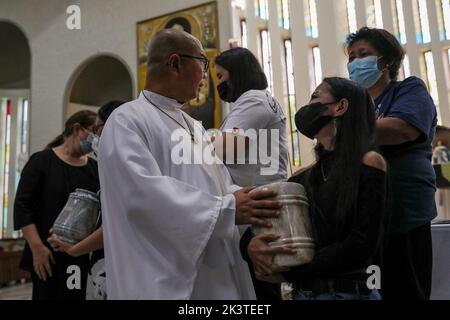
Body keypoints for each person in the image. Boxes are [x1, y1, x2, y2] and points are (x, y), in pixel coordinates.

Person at [97, 29, 283, 299]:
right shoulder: (127, 120)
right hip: (160, 279)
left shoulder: (193, 126)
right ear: (175, 64)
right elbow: (140, 196)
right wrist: (226, 209)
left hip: (216, 271)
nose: (206, 76)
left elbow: (219, 184)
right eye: (203, 64)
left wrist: (243, 198)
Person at [241, 77, 387, 300]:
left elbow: (362, 243)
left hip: (349, 293)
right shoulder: (304, 176)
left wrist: (293, 273)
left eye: (315, 97)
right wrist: (250, 247)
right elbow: (261, 221)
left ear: (340, 107)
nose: (307, 106)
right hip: (304, 294)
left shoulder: (369, 162)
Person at [346, 27, 438, 300]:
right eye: (351, 57)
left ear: (386, 61)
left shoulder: (409, 89)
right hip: (367, 220)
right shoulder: (355, 106)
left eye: (363, 54)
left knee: (405, 291)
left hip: (404, 212)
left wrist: (344, 132)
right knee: (373, 291)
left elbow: (400, 129)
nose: (354, 62)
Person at [214, 47, 289, 300]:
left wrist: (200, 140)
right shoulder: (259, 99)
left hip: (256, 208)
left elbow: (226, 148)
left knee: (261, 291)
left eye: (221, 76)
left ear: (237, 74)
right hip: (257, 205)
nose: (218, 83)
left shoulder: (253, 100)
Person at [13, 110, 100, 300]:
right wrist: (37, 248)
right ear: (77, 129)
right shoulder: (41, 161)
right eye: (94, 131)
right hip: (45, 252)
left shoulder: (94, 168)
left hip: (79, 254)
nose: (96, 138)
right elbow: (22, 207)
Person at [47, 101, 125, 300]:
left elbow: (115, 225)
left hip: (115, 264)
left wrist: (73, 250)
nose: (95, 138)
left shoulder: (122, 168)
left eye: (98, 129)